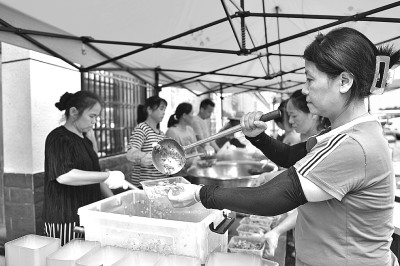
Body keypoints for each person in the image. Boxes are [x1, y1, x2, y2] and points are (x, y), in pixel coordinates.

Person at [168, 27, 400, 265]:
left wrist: (199, 193)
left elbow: (274, 197)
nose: (304, 89)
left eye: (310, 79)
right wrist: (258, 137)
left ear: (344, 81)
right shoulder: (342, 134)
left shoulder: (353, 144)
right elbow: (291, 156)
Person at [43, 91, 130, 245]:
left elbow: (95, 176)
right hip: (66, 217)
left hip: (88, 215)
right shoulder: (58, 138)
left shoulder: (86, 141)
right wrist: (106, 176)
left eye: (97, 117)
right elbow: (64, 176)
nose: (95, 121)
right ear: (74, 112)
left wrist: (115, 203)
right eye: (92, 116)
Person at [126, 96, 168, 187]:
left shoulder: (161, 134)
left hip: (159, 184)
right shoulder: (142, 128)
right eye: (161, 109)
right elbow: (131, 152)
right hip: (143, 186)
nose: (164, 113)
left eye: (164, 109)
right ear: (149, 110)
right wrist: (143, 157)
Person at [165, 102, 198, 176]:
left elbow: (195, 150)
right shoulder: (172, 132)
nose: (193, 116)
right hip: (177, 176)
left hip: (190, 172)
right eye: (191, 113)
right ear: (184, 115)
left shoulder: (190, 129)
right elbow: (169, 156)